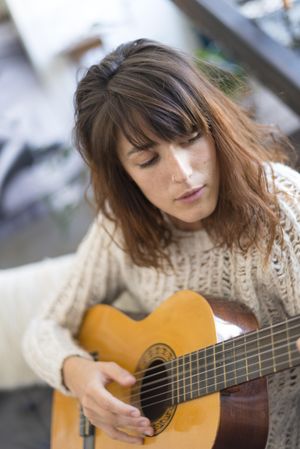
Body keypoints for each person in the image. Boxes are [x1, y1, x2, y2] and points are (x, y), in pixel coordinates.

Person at [23, 38, 300, 448]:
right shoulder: (121, 228)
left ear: (214, 127)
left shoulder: (283, 207)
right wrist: (77, 373)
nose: (183, 174)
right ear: (123, 174)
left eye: (190, 138)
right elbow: (42, 330)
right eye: (148, 160)